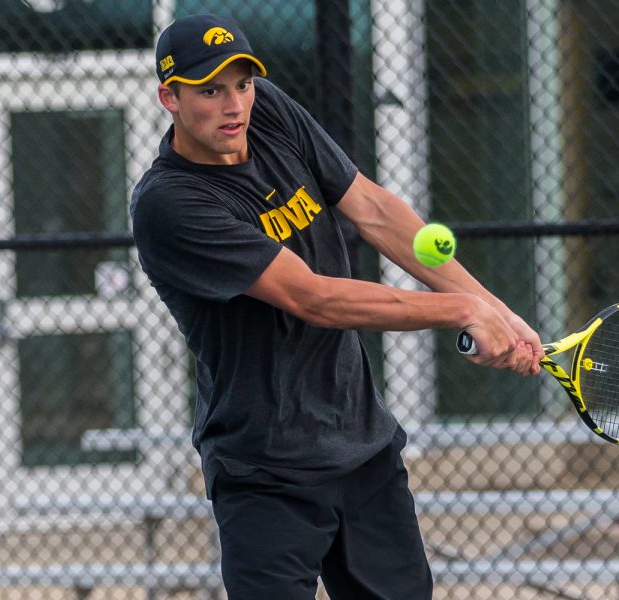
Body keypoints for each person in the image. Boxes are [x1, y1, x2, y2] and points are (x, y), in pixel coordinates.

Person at [130, 13, 544, 600]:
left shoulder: (266, 109)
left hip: (362, 450)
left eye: (242, 83)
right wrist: (459, 312)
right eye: (210, 90)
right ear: (169, 97)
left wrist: (491, 306)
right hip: (265, 471)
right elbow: (312, 297)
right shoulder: (169, 204)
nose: (233, 105)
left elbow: (372, 208)